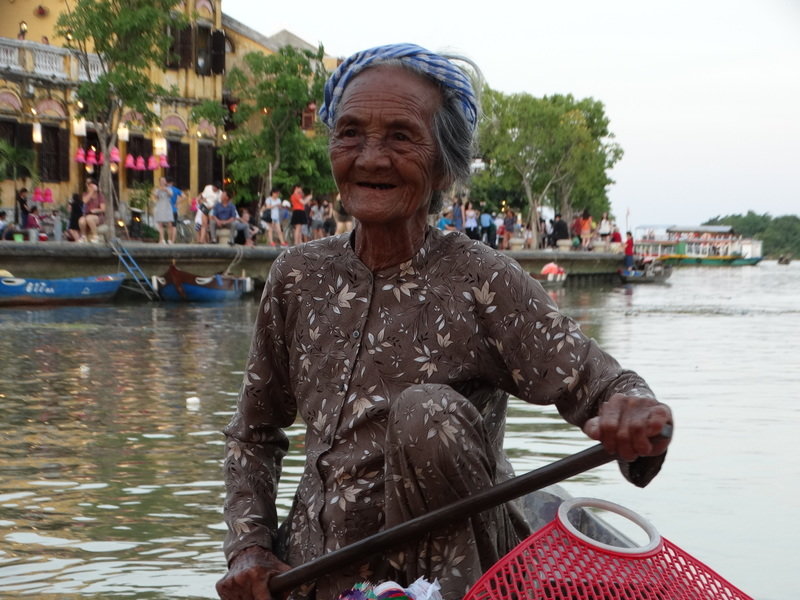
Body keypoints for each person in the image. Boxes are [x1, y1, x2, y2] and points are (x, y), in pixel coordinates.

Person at [217, 43, 672, 600]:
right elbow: (253, 434)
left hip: (454, 577)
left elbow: (604, 385)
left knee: (425, 412)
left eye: (401, 137)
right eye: (351, 133)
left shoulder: (481, 278)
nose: (371, 158)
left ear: (443, 167)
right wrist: (249, 547)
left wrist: (636, 412)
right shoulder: (297, 275)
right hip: (316, 572)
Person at [152, 177, 174, 244]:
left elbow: (171, 195)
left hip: (167, 206)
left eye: (164, 180)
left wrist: (166, 190)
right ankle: (162, 239)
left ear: (165, 181)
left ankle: (169, 239)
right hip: (160, 206)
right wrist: (158, 190)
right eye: (161, 180)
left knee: (169, 223)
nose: (163, 182)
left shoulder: (169, 188)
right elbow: (155, 196)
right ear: (159, 182)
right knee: (160, 223)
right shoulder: (157, 189)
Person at [167, 178, 184, 244]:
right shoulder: (176, 189)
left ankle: (169, 240)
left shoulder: (166, 189)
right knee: (174, 226)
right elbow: (184, 196)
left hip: (168, 209)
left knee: (169, 225)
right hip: (174, 210)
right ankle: (172, 241)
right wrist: (177, 203)